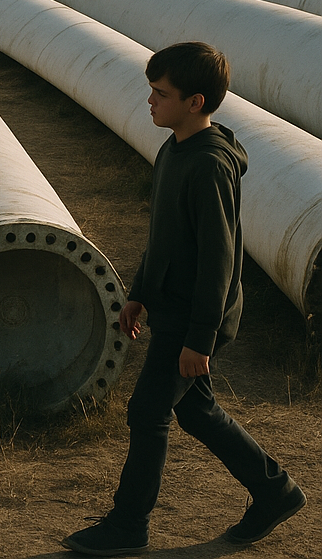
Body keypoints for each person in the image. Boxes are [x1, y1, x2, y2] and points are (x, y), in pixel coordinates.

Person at [64, 42, 304, 557]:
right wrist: (139, 294)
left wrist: (200, 338)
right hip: (172, 306)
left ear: (195, 102)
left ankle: (129, 526)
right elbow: (164, 235)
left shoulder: (210, 165)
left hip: (197, 315)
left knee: (147, 411)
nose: (149, 101)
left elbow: (219, 261)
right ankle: (273, 490)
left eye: (160, 93)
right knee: (195, 412)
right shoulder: (174, 147)